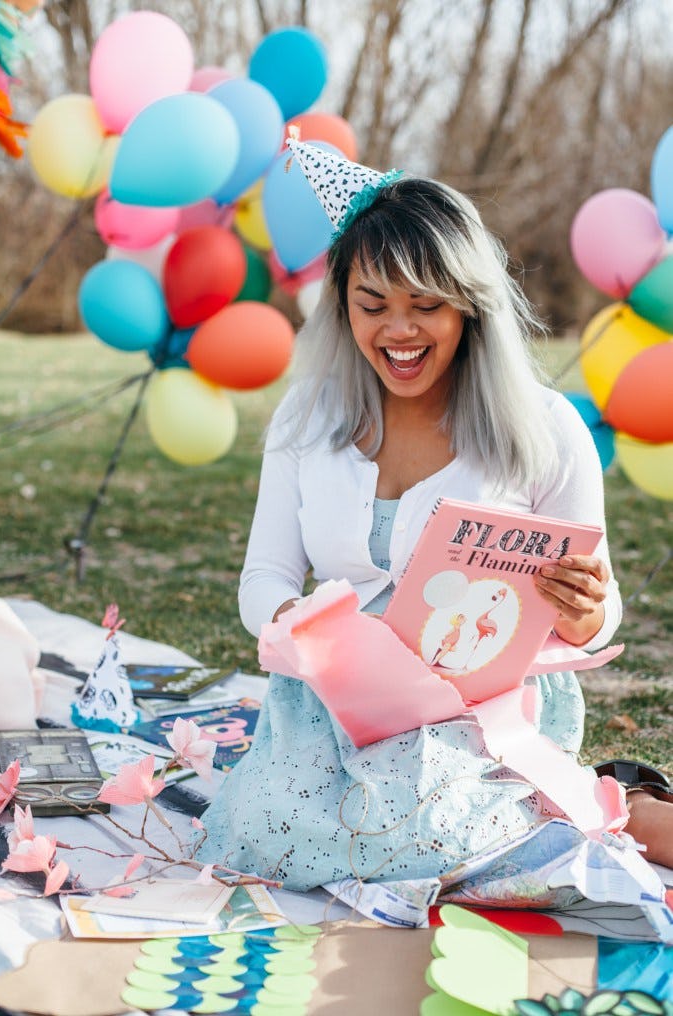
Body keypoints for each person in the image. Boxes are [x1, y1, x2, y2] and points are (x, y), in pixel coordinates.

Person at [199, 142, 673, 893]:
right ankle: (565, 814)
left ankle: (617, 804)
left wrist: (585, 614)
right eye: (372, 305)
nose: (399, 332)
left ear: (469, 305)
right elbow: (264, 576)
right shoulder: (306, 419)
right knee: (260, 837)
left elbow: (600, 609)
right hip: (333, 702)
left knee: (425, 834)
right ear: (340, 301)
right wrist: (295, 622)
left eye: (426, 306)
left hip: (476, 705)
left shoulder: (543, 429)